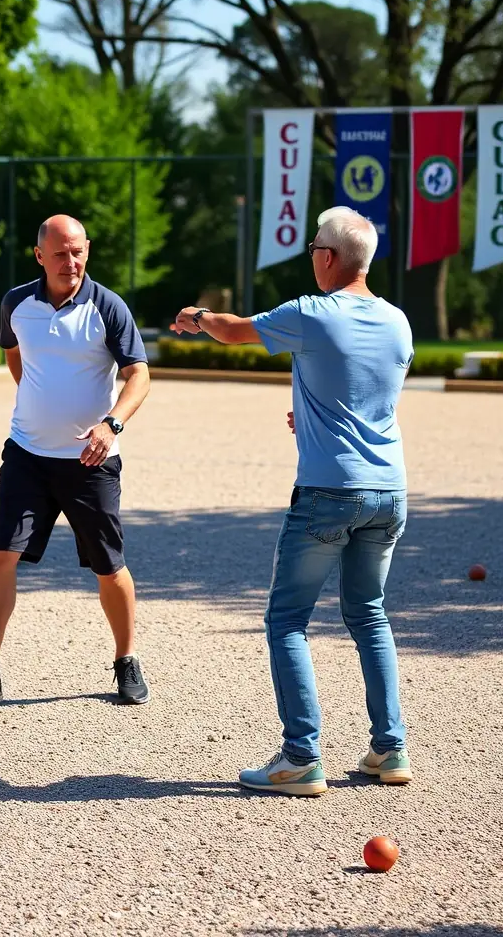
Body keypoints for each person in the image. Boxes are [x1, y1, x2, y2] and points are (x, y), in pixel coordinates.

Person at [172, 206, 414, 797]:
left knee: (286, 621)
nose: (311, 256)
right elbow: (365, 397)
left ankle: (302, 757)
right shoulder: (399, 322)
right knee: (370, 615)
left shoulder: (311, 313)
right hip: (388, 490)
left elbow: (232, 330)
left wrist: (198, 316)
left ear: (328, 258)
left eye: (313, 248)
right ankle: (390, 748)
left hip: (328, 491)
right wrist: (308, 419)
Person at [0, 214, 151, 709]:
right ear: (39, 256)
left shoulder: (108, 306)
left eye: (78, 251)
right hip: (27, 455)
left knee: (109, 566)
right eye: (60, 253)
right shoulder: (16, 303)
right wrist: (40, 405)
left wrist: (111, 424)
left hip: (91, 462)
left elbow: (139, 375)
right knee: (1, 556)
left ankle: (126, 660)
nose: (71, 262)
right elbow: (16, 359)